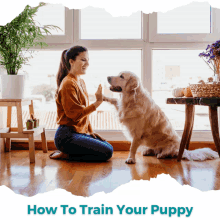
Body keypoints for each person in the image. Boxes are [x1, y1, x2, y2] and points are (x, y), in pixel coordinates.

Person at [49, 45, 113, 161]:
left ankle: (70, 152)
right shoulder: (68, 83)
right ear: (71, 61)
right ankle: (66, 153)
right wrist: (98, 102)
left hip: (79, 133)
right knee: (107, 152)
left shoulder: (80, 81)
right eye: (83, 60)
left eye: (88, 60)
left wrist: (90, 131)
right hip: (66, 136)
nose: (87, 64)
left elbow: (84, 113)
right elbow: (75, 115)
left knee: (109, 147)